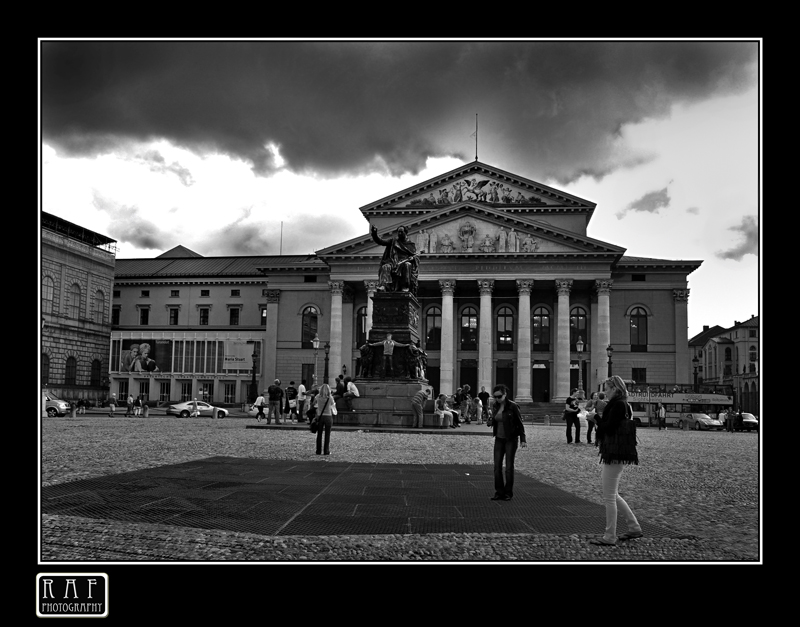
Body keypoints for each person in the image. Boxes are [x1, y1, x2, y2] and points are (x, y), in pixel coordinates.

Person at [590, 375, 643, 546]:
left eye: (607, 388)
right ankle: (634, 527)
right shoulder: (623, 404)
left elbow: (608, 427)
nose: (605, 391)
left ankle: (609, 536)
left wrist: (595, 419)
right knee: (614, 495)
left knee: (609, 497)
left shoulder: (618, 404)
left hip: (614, 452)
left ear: (615, 388)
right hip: (617, 451)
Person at [488, 384, 527, 501]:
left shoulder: (513, 406)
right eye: (495, 397)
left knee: (509, 467)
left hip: (511, 438)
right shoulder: (495, 405)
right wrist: (491, 421)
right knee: (496, 466)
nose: (497, 399)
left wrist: (523, 439)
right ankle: (499, 492)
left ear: (505, 395)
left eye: (499, 396)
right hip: (499, 438)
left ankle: (508, 493)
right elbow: (495, 420)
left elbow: (520, 423)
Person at [369, 224, 420, 294]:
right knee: (386, 266)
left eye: (401, 232)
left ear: (405, 233)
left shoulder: (411, 245)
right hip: (394, 262)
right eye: (398, 232)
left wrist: (412, 259)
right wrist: (374, 234)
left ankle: (405, 287)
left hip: (405, 262)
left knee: (407, 265)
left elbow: (415, 257)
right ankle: (384, 286)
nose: (399, 233)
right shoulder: (393, 241)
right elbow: (381, 241)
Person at [313, 383, 334, 455]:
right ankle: (326, 451)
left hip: (320, 416)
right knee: (327, 434)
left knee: (319, 434)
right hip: (328, 416)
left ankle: (318, 451)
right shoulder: (330, 397)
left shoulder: (317, 397)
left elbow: (313, 404)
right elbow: (332, 404)